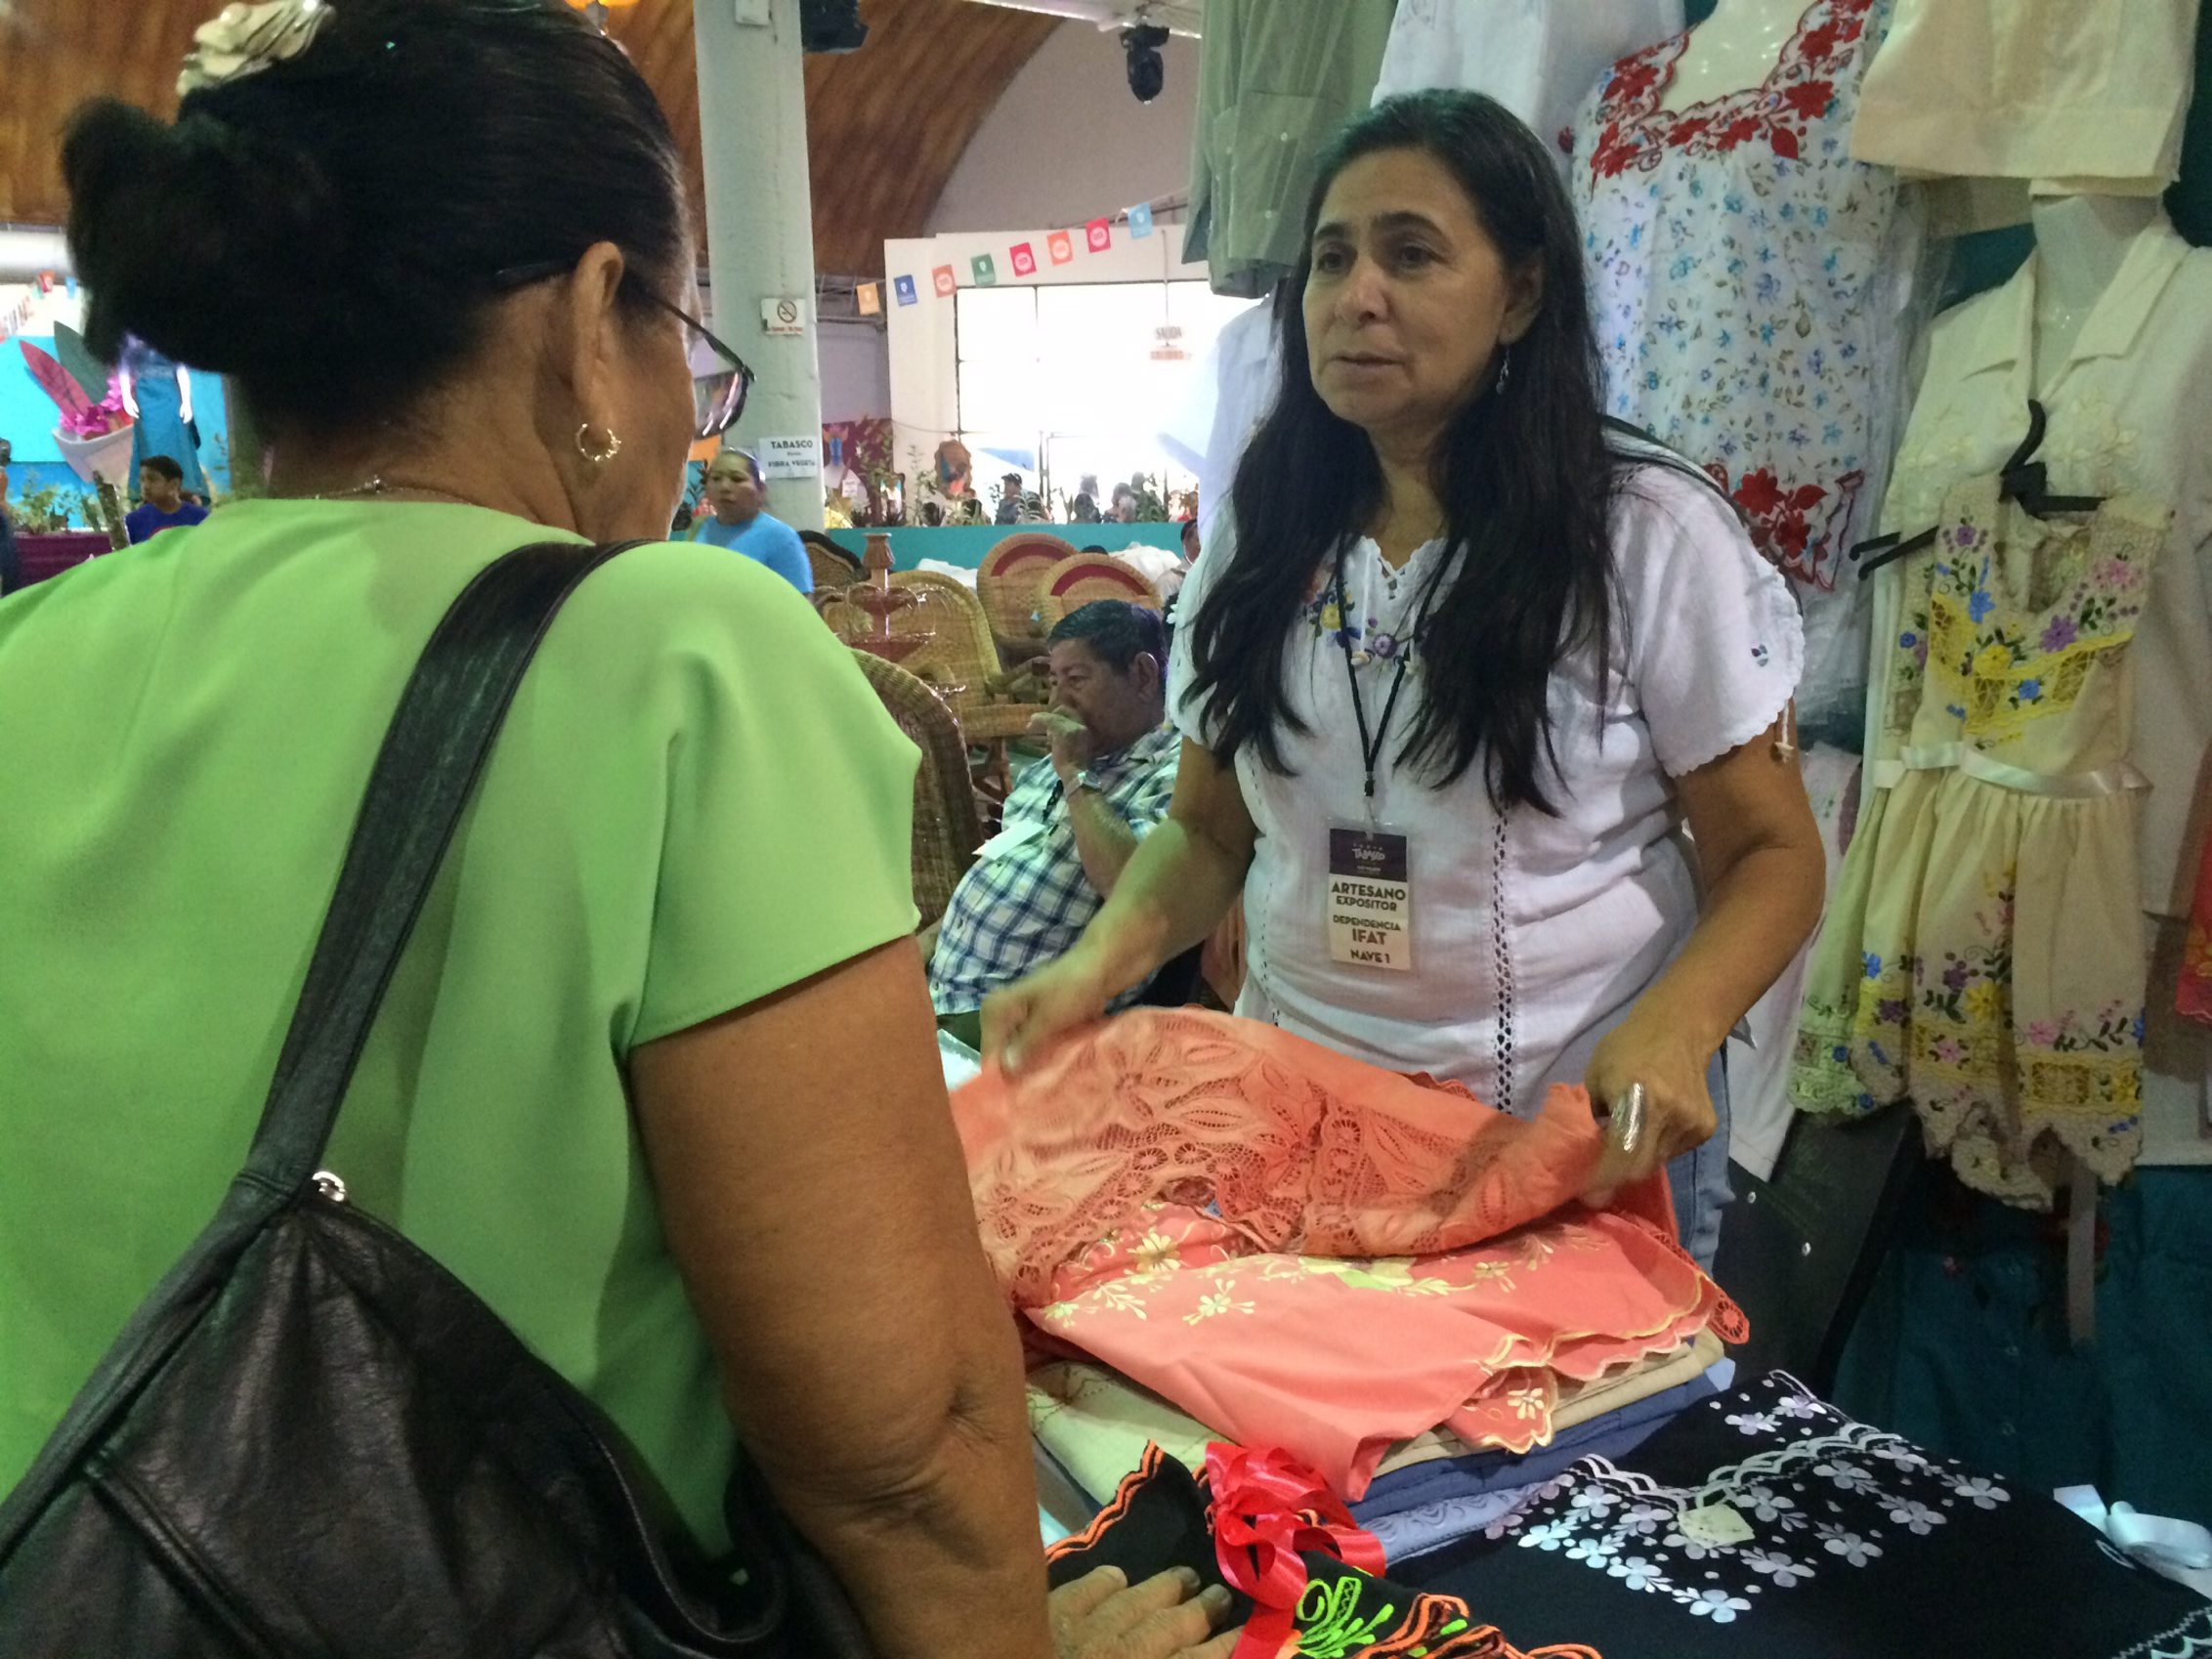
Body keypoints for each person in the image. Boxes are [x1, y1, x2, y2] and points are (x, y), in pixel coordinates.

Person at [0, 7, 1230, 1659]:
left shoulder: (38, 656)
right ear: (593, 324)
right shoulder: (670, 652)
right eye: (681, 337)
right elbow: (899, 1448)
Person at [984, 90, 1826, 1269]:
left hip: (1568, 1141)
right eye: (1331, 259)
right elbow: (1204, 834)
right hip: (1296, 1130)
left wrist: (1678, 1030)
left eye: (1410, 254)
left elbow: (1771, 857)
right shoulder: (1260, 533)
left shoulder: (1642, 533)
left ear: (1521, 292)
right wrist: (1089, 969)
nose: (1355, 295)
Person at [926, 602, 1180, 1051]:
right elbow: (1001, 868)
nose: (1057, 701)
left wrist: (1077, 776)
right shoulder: (1050, 765)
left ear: (1142, 676)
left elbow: (1133, 889)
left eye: (1076, 681)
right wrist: (921, 947)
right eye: (1054, 682)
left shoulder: (1170, 771)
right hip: (944, 994)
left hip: (1025, 1022)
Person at [688, 447, 811, 594]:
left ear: (761, 490)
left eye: (737, 479)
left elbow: (801, 606)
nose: (724, 487)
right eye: (716, 478)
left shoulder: (781, 537)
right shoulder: (699, 527)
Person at [123, 453, 211, 543]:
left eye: (152, 479)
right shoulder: (132, 522)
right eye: (142, 479)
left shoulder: (201, 517)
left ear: (174, 485)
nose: (145, 486)